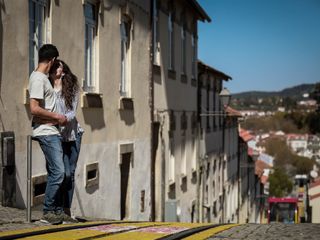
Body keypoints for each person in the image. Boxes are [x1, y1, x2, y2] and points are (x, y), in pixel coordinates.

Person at [28, 44, 70, 224]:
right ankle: (48, 211)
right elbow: (34, 109)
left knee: (57, 172)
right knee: (59, 172)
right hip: (46, 133)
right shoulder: (38, 79)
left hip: (51, 130)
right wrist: (57, 117)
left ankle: (55, 210)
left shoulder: (43, 78)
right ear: (52, 60)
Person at [48, 60, 83, 218]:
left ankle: (66, 210)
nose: (56, 68)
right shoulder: (48, 87)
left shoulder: (71, 88)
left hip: (73, 135)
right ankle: (57, 208)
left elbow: (72, 113)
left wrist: (59, 119)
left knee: (70, 173)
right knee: (62, 173)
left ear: (63, 71)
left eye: (58, 66)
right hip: (56, 136)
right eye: (54, 66)